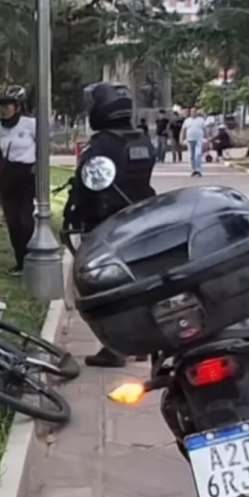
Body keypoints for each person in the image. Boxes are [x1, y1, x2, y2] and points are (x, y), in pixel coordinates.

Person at [63, 82, 156, 368]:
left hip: (105, 225)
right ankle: (143, 344)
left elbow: (88, 187)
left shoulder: (102, 144)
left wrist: (77, 217)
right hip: (139, 220)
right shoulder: (141, 140)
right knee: (139, 283)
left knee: (101, 289)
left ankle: (114, 346)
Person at [0, 85, 37, 276]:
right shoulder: (0, 127)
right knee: (12, 221)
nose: (4, 109)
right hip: (8, 175)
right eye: (3, 105)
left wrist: (38, 167)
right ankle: (20, 262)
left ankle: (33, 259)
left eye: (8, 105)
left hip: (27, 174)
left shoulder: (30, 124)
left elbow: (43, 146)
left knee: (25, 220)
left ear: (18, 106)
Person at [182, 107, 206, 177]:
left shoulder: (201, 120)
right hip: (190, 140)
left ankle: (198, 169)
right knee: (191, 156)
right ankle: (193, 170)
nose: (193, 113)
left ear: (196, 112)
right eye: (192, 112)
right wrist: (182, 138)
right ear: (190, 113)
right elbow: (183, 130)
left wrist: (206, 138)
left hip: (199, 139)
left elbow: (204, 129)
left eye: (194, 111)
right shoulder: (187, 121)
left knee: (198, 154)